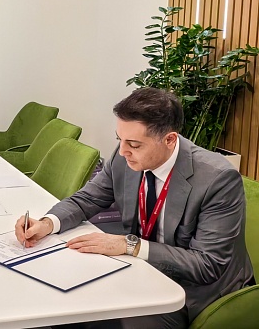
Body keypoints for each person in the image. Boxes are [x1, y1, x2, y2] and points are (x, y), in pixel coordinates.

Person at [15, 87, 254, 328]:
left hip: (194, 290)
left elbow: (207, 265)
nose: (122, 151)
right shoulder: (124, 157)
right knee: (65, 302)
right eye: (119, 140)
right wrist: (47, 223)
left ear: (169, 140)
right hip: (140, 268)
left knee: (117, 319)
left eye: (134, 144)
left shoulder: (217, 179)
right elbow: (87, 199)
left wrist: (130, 245)